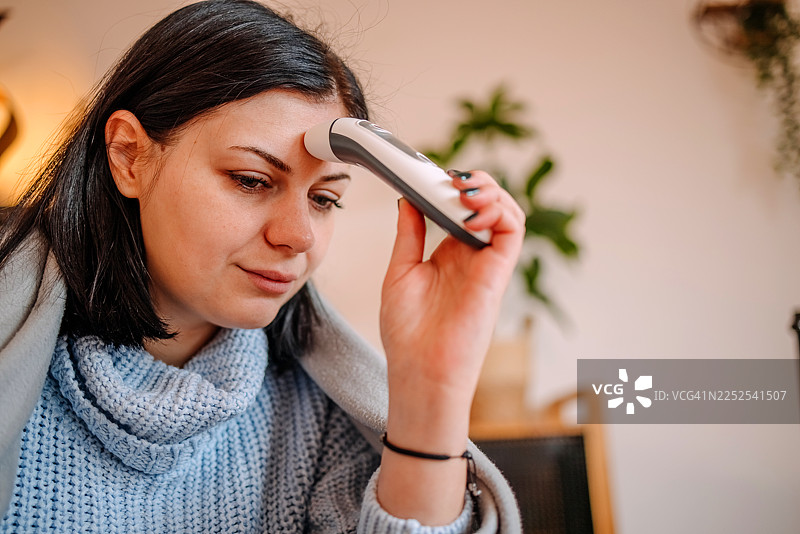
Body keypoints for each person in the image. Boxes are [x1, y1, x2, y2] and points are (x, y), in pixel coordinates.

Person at [0, 0, 525, 532]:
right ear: (130, 155)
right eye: (251, 180)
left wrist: (429, 390)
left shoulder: (320, 426)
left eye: (324, 198)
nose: (297, 237)